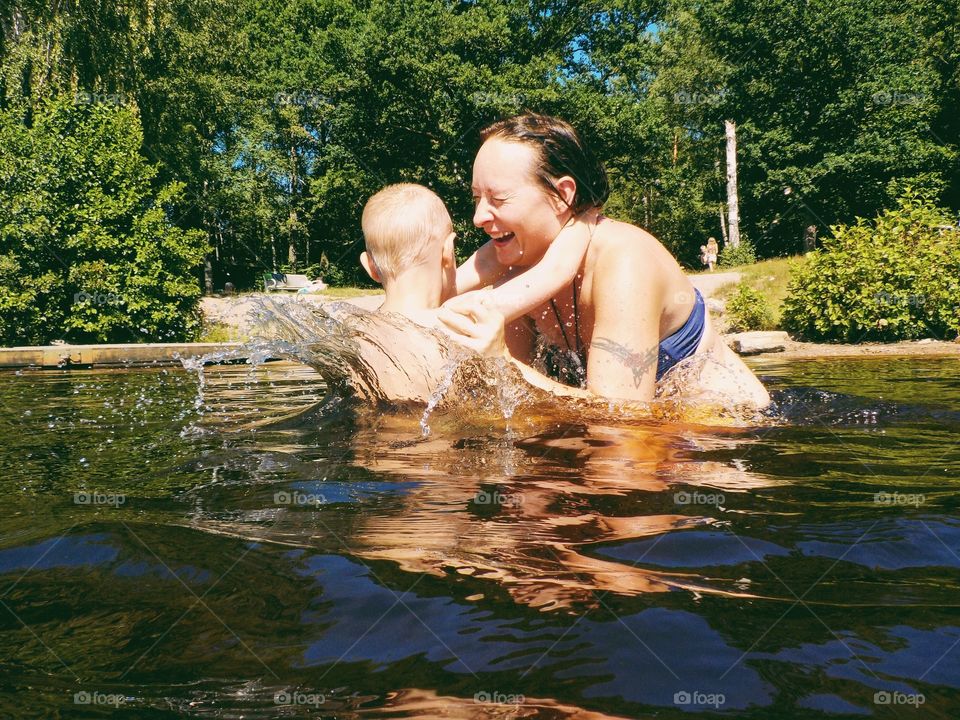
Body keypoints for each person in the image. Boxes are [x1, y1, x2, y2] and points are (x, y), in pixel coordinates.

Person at [440, 113, 770, 408]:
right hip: (656, 449)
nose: (478, 217)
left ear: (563, 194)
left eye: (498, 198)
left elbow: (621, 418)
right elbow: (505, 406)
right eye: (477, 198)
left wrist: (503, 363)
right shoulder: (518, 266)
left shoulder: (625, 259)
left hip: (731, 446)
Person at [352, 182, 593, 403]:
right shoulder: (458, 321)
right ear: (449, 252)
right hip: (440, 448)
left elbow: (486, 264)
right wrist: (585, 215)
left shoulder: (357, 333)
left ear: (370, 267)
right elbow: (557, 269)